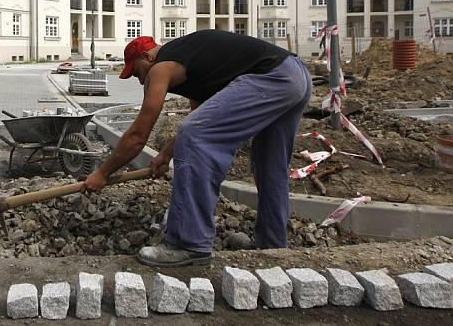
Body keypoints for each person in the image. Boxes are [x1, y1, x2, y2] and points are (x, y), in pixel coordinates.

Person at [85, 30, 311, 267]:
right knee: (270, 165)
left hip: (271, 77)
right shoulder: (194, 63)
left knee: (193, 133)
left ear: (147, 57)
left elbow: (138, 136)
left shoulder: (160, 67)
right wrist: (165, 154)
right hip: (294, 75)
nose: (140, 79)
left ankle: (187, 242)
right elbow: (202, 117)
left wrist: (102, 173)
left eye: (136, 71)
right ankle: (272, 246)